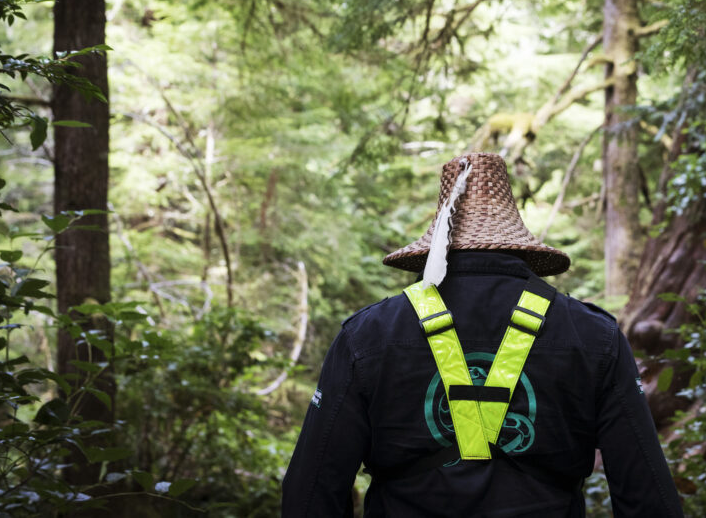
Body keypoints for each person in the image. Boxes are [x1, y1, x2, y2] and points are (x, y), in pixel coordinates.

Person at [282, 152, 684, 517]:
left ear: (433, 249)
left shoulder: (368, 335)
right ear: (520, 247)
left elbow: (311, 489)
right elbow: (647, 494)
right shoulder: (594, 336)